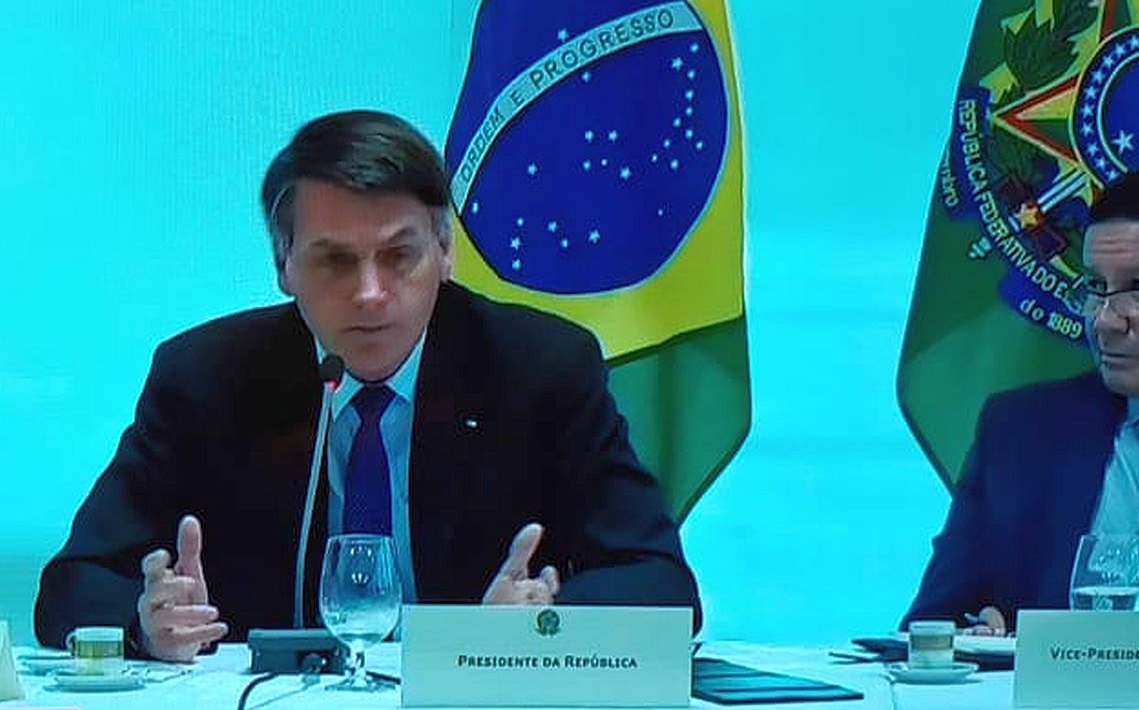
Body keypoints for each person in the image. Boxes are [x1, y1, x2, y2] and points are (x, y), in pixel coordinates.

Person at [35, 110, 701, 661]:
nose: (371, 294)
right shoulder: (205, 377)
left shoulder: (540, 368)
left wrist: (540, 621)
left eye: (399, 255)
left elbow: (662, 585)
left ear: (445, 253)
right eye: (334, 261)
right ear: (283, 266)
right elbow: (71, 586)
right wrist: (145, 623)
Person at [904, 164, 1139, 634]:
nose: (1104, 320)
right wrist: (974, 637)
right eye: (1096, 289)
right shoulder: (1021, 434)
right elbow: (930, 629)